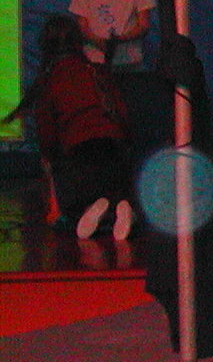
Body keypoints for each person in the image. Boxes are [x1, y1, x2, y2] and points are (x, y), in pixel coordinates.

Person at [17, 13, 134, 240]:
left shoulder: (49, 80)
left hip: (78, 155)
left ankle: (88, 208)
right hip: (112, 150)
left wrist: (50, 159)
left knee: (75, 205)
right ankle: (119, 206)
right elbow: (121, 113)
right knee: (117, 189)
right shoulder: (95, 70)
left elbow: (47, 135)